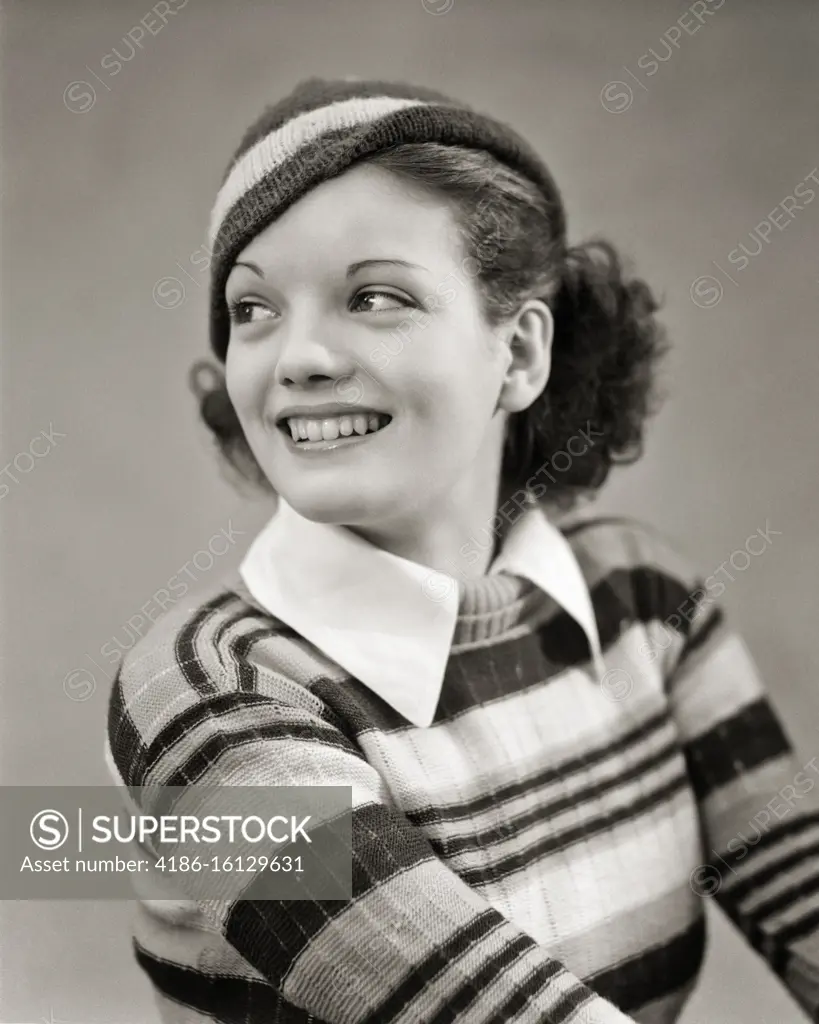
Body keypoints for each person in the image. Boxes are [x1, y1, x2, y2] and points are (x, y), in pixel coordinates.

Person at [105, 77, 819, 1024]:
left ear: (519, 355)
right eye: (253, 310)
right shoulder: (207, 698)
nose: (297, 358)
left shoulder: (644, 600)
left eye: (374, 296)